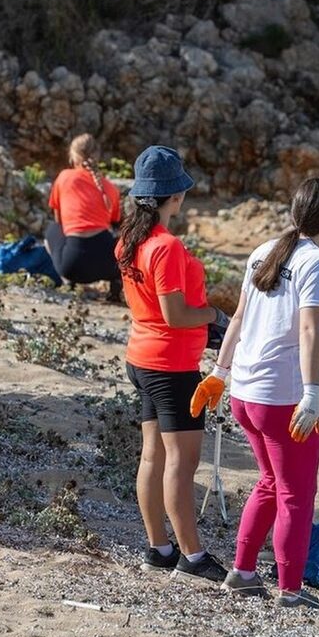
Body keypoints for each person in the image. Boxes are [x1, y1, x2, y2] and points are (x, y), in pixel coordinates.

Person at [190, 178, 319, 608]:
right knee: (296, 493)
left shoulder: (263, 250)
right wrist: (312, 394)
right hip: (281, 398)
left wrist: (219, 372)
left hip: (245, 393)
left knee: (271, 482)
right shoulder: (317, 262)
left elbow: (238, 317)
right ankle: (290, 591)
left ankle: (242, 572)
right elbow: (309, 330)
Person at [116, 145, 228, 583]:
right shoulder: (165, 246)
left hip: (142, 358)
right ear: (175, 195)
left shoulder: (129, 240)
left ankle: (159, 548)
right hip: (171, 366)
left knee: (154, 456)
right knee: (182, 462)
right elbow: (176, 315)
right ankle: (193, 557)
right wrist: (215, 315)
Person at [47, 134, 123, 301]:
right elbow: (115, 224)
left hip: (72, 265)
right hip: (107, 265)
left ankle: (68, 282)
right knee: (119, 239)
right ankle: (115, 289)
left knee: (52, 229)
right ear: (97, 156)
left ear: (73, 156)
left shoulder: (64, 177)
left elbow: (59, 221)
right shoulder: (110, 188)